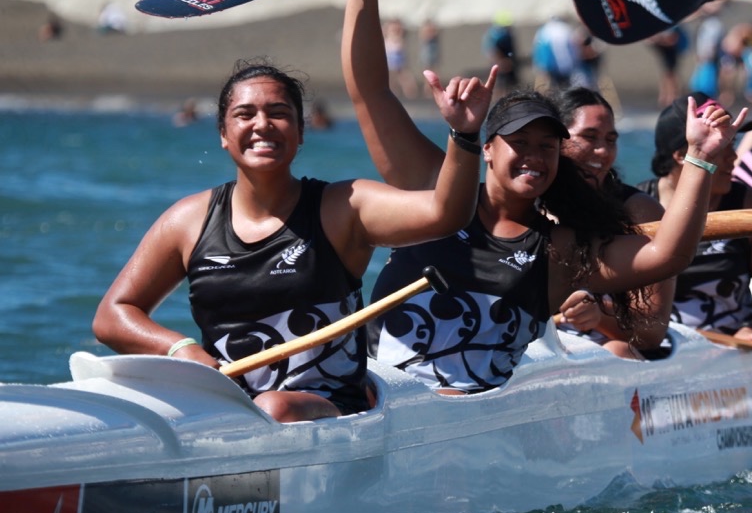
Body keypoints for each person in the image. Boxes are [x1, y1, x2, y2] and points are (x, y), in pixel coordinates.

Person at [343, 0, 745, 393]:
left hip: (466, 422)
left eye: (547, 146)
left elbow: (668, 254)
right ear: (488, 148)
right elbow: (369, 93)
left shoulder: (559, 250)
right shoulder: (432, 186)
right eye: (520, 143)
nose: (534, 157)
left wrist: (700, 158)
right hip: (381, 401)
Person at [92, 59, 487, 423]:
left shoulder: (342, 208)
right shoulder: (188, 221)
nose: (262, 124)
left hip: (331, 409)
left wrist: (465, 134)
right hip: (226, 408)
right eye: (244, 114)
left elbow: (446, 213)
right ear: (224, 135)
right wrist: (179, 349)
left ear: (301, 133)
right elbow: (113, 315)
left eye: (278, 113)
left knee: (273, 408)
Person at [638, 98, 752, 349]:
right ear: (682, 154)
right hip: (657, 347)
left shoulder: (751, 206)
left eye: (732, 143)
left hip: (727, 352)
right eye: (721, 145)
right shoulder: (636, 208)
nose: (734, 157)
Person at [553, 86, 674, 358]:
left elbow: (652, 333)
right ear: (556, 140)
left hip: (609, 352)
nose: (603, 152)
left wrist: (599, 319)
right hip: (542, 352)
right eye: (589, 137)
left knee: (618, 350)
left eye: (610, 140)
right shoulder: (527, 202)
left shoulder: (641, 211)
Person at [532, 14, 579, 90]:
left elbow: (538, 49)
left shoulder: (543, 30)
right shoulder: (565, 29)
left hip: (550, 66)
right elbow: (573, 48)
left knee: (553, 88)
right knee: (566, 87)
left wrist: (539, 65)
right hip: (565, 65)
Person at [647, 25, 689, 108]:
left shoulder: (672, 26)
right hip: (665, 49)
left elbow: (671, 40)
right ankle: (667, 97)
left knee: (671, 74)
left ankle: (673, 97)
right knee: (667, 74)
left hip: (671, 50)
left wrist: (658, 40)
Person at [482, 12, 521, 90]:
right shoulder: (496, 35)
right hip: (502, 64)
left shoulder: (505, 34)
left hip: (509, 63)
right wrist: (501, 61)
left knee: (512, 85)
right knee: (502, 85)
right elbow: (492, 50)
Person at [382, 17, 418, 99]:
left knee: (403, 75)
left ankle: (410, 92)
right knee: (390, 77)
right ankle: (392, 92)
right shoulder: (388, 34)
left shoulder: (399, 35)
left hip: (397, 56)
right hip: (390, 56)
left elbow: (400, 43)